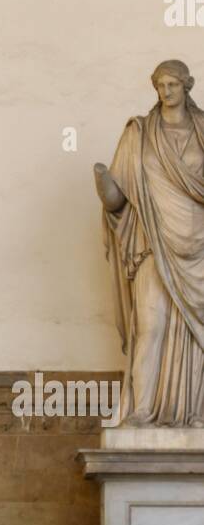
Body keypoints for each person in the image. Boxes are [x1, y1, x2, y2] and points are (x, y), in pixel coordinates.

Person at [95, 59, 204, 426]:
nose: (166, 91)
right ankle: (141, 409)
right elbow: (117, 199)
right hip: (153, 242)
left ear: (187, 86)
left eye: (173, 84)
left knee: (196, 329)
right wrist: (103, 181)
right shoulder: (139, 134)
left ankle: (198, 411)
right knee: (150, 326)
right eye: (160, 85)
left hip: (199, 246)